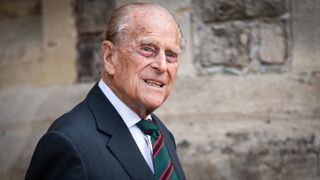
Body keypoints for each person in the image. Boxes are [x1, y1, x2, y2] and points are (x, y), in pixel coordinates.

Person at [25, 2, 186, 180]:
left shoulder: (161, 135)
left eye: (171, 54)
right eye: (147, 49)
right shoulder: (67, 142)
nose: (162, 66)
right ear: (109, 57)